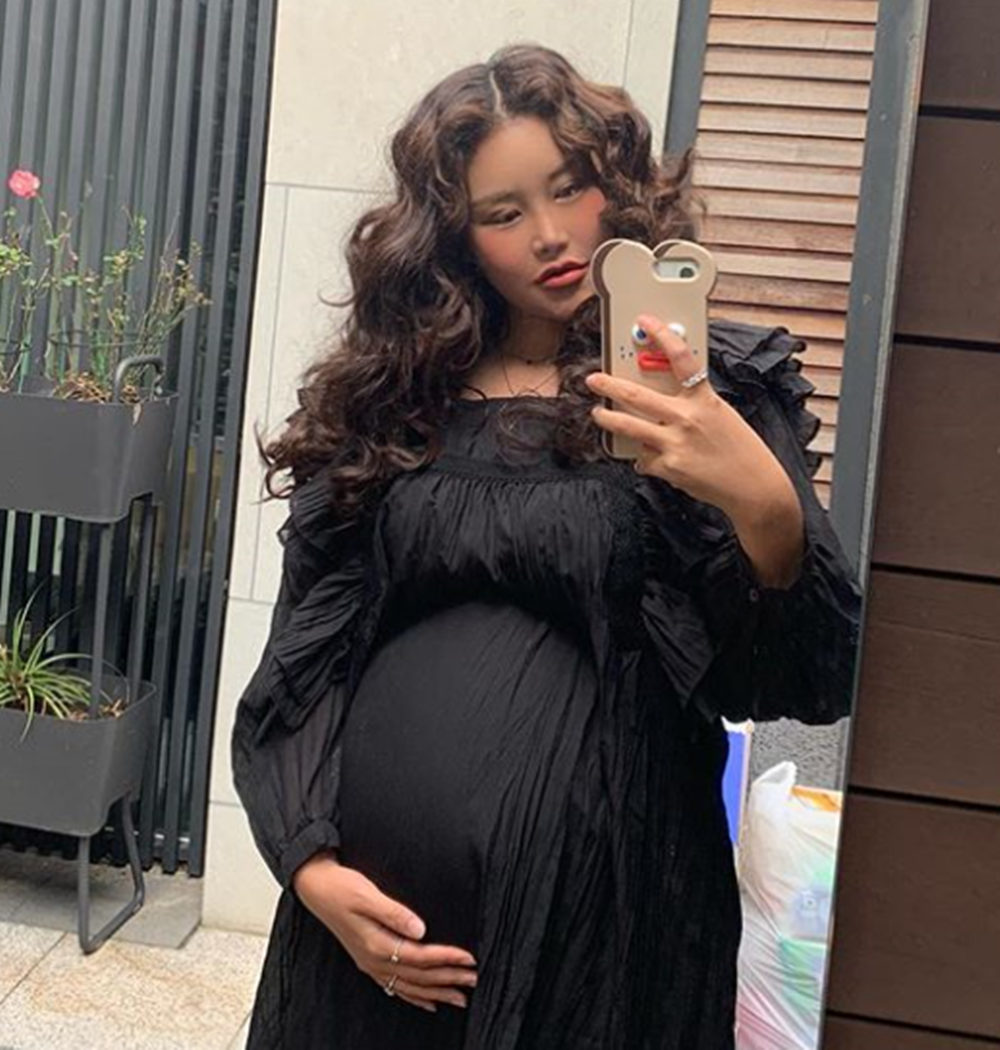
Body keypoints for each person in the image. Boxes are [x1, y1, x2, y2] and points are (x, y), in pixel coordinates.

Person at [231, 42, 863, 1050]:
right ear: (454, 239)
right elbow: (305, 661)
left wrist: (765, 505)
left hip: (606, 935)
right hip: (367, 958)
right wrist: (309, 867)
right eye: (503, 213)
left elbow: (803, 675)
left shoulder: (707, 394)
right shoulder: (398, 402)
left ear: (615, 185)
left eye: (570, 189)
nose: (551, 236)